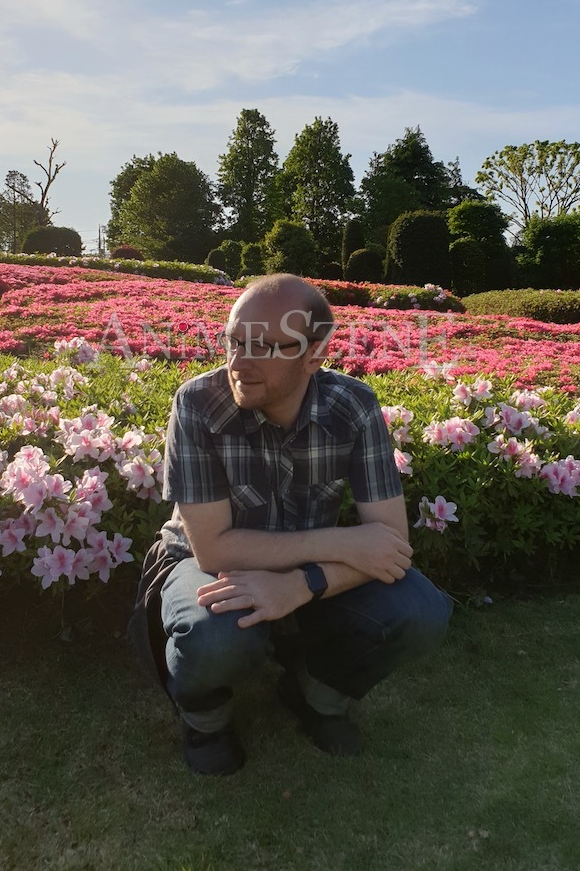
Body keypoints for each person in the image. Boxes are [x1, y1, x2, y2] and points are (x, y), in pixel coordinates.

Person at [130, 273, 453, 775]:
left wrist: (302, 586)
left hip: (304, 566)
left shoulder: (353, 406)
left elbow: (390, 544)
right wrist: (339, 545)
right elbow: (213, 549)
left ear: (314, 355)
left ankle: (316, 697)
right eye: (235, 340)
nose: (239, 361)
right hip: (202, 563)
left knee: (421, 610)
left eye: (263, 347)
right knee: (213, 633)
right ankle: (205, 718)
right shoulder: (197, 404)